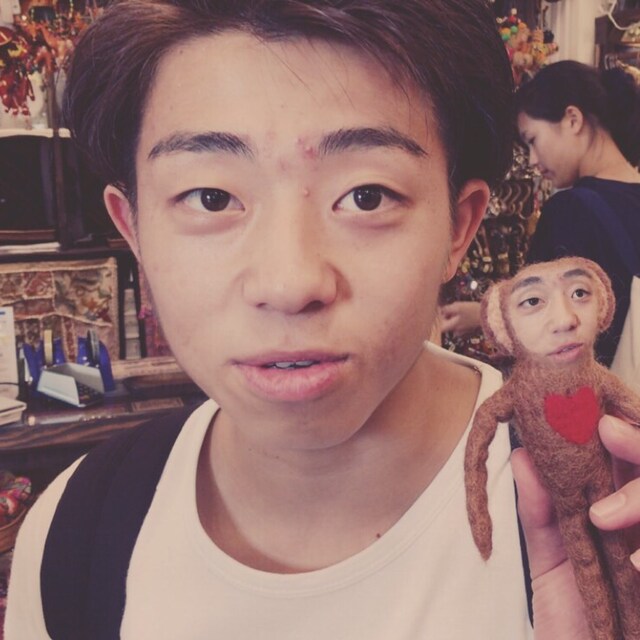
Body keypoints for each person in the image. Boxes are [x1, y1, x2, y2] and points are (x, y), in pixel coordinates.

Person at [4, 2, 640, 638]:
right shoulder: (74, 539)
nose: (290, 284)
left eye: (366, 196)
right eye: (211, 198)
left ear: (459, 226)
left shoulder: (596, 496)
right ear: (133, 229)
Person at [441, 60, 640, 367]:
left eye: (532, 140)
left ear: (572, 120)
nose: (533, 160)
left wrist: (482, 317)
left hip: (587, 388)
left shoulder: (572, 209)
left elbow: (546, 320)